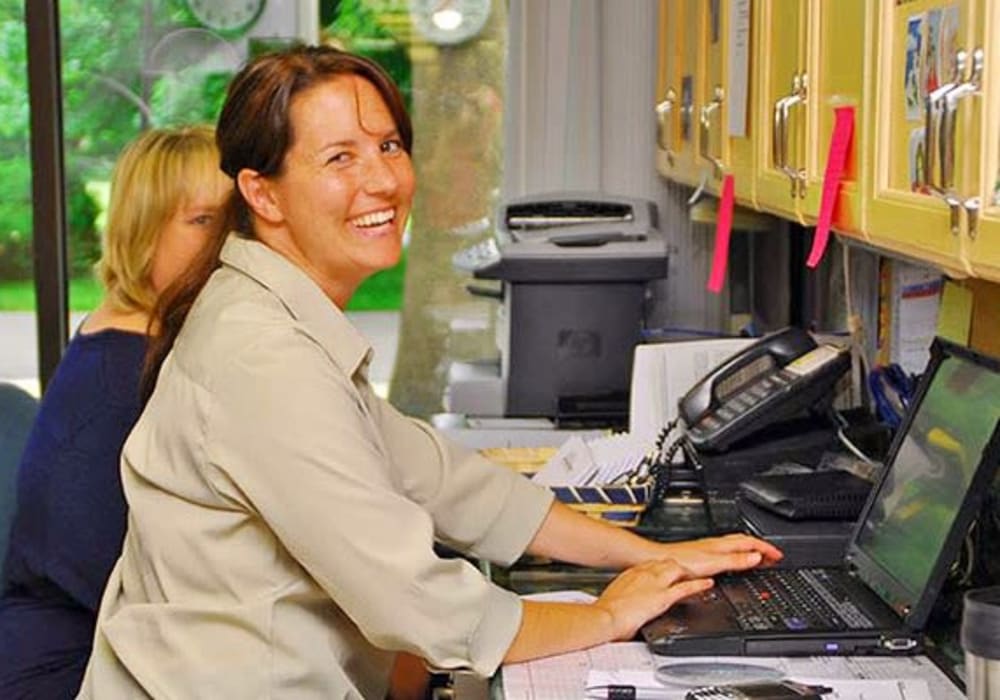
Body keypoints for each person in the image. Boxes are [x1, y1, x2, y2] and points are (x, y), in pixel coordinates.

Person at [79, 46, 781, 699]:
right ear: (263, 195)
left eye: (387, 146)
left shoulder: (273, 312)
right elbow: (415, 600)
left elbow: (442, 478)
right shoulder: (262, 355)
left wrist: (648, 555)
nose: (382, 178)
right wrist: (606, 616)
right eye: (339, 158)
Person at [0, 126, 231, 699]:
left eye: (235, 222)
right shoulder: (126, 379)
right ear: (143, 232)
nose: (226, 244)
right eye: (202, 221)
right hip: (68, 675)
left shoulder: (139, 339)